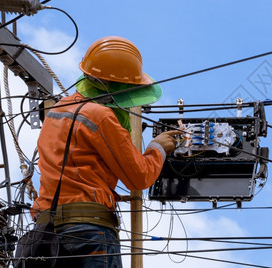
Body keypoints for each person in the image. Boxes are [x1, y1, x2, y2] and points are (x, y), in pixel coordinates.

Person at [31, 36, 178, 267]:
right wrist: (157, 147)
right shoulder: (100, 116)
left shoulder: (56, 112)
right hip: (89, 229)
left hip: (45, 233)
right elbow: (138, 177)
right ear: (117, 86)